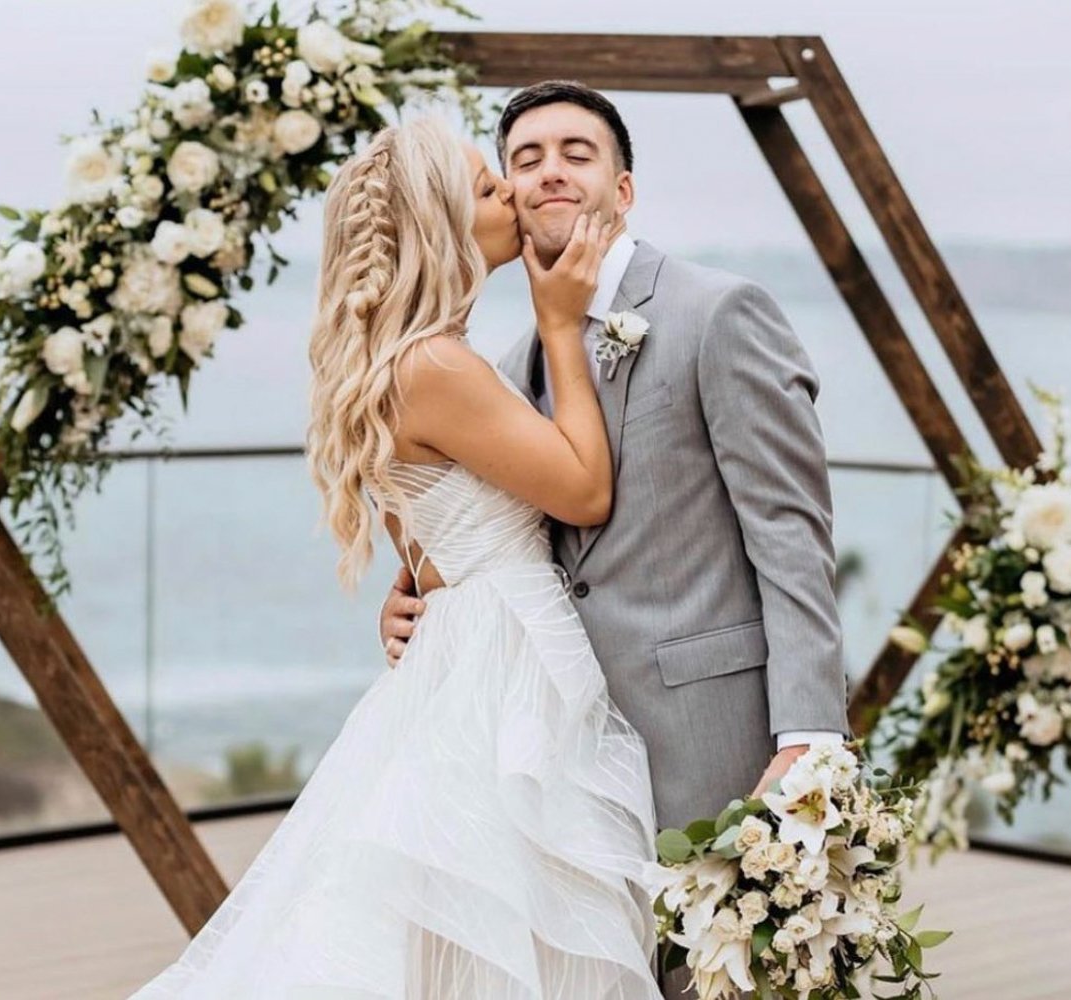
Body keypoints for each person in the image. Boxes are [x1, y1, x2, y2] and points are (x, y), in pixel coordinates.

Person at [128, 116, 664, 998]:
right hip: (499, 664)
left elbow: (434, 535)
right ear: (443, 229)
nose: (515, 195)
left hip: (463, 642)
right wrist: (561, 326)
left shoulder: (405, 361)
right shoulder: (438, 367)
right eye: (491, 190)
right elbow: (583, 492)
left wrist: (408, 587)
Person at [379, 82, 852, 1000]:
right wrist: (414, 602)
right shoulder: (511, 359)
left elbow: (792, 537)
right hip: (566, 754)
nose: (549, 170)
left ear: (624, 191)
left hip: (716, 742)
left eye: (576, 152)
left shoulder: (719, 312)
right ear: (508, 197)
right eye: (524, 159)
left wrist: (808, 737)